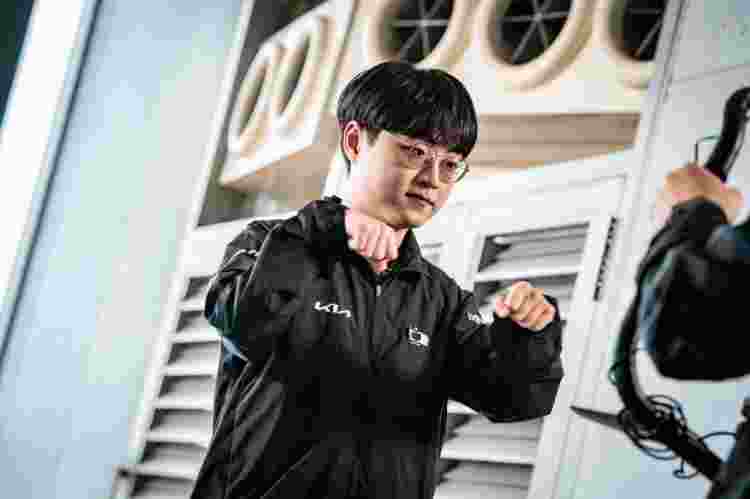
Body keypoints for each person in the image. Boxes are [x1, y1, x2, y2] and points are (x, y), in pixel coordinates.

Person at [190, 61, 564, 499]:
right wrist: (329, 227)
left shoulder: (442, 301)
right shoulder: (267, 244)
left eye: (450, 164)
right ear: (354, 141)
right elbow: (243, 324)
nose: (432, 180)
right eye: (414, 152)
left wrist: (528, 335)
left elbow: (512, 401)